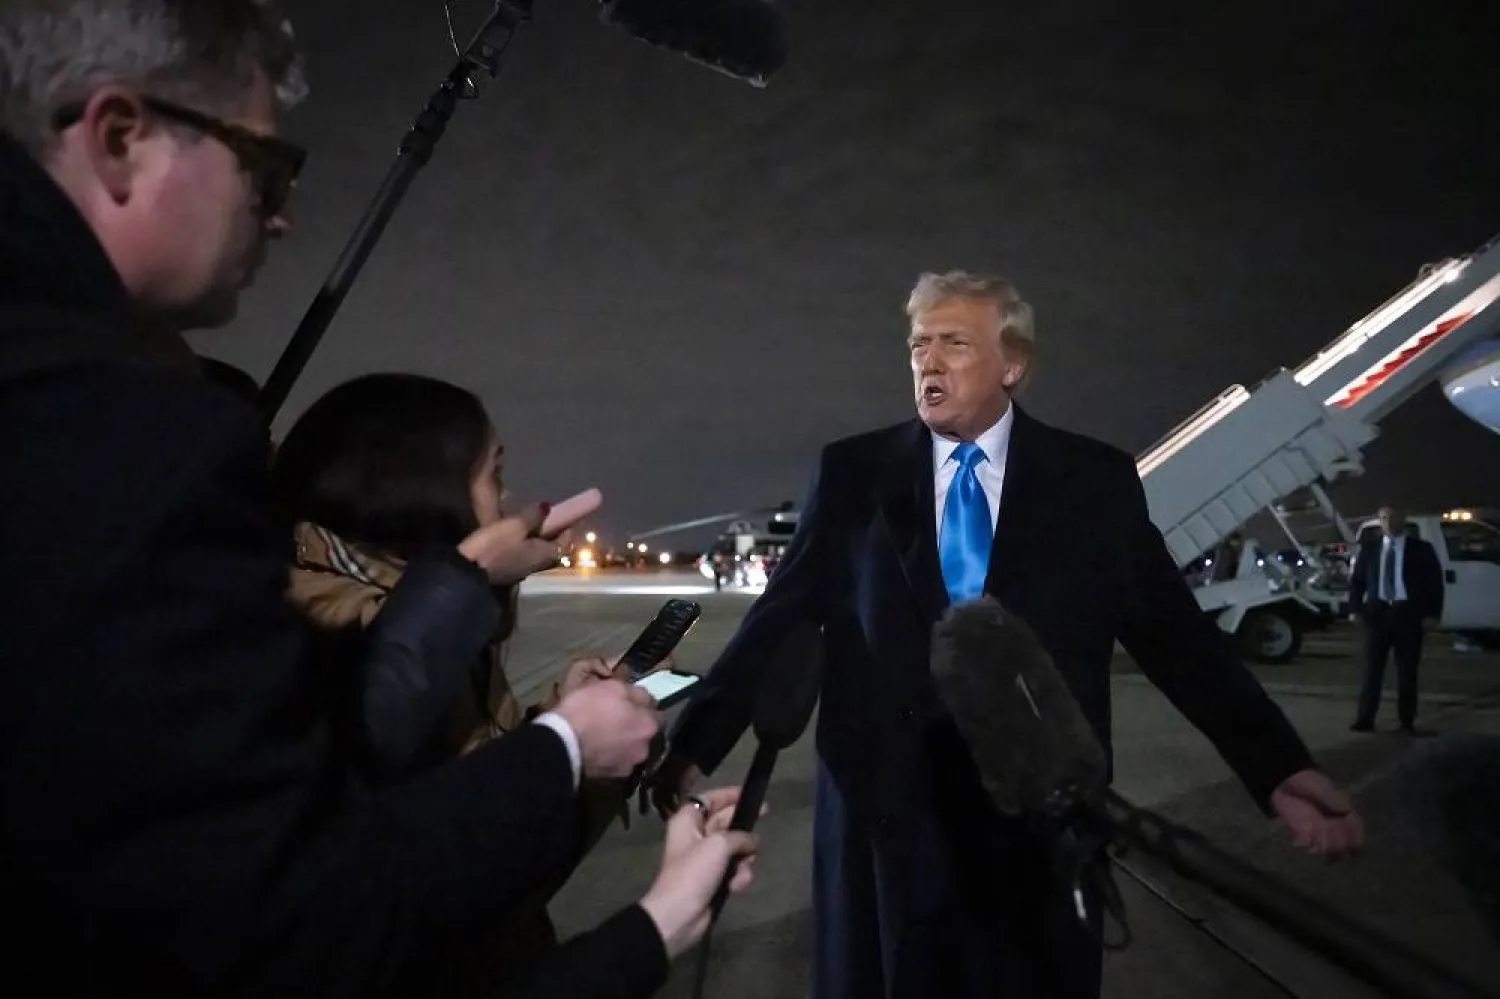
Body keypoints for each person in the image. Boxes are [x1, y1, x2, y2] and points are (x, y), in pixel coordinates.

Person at [0, 2, 756, 996]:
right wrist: (628, 869)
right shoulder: (118, 442)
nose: (282, 215)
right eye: (264, 168)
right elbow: (296, 921)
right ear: (121, 139)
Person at [652, 271, 1366, 999]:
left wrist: (1277, 767)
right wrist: (692, 745)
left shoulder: (1093, 481)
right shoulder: (854, 472)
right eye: (918, 345)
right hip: (887, 815)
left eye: (954, 343)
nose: (929, 361)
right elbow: (782, 616)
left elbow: (1178, 637)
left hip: (1039, 825)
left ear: (1013, 363)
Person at [272, 372, 641, 987]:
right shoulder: (333, 627)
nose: (508, 495)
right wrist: (570, 750)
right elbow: (458, 875)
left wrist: (563, 728)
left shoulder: (418, 613)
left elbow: (484, 831)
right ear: (420, 485)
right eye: (494, 472)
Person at [1347, 506, 1444, 734]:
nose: (1388, 522)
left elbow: (1434, 584)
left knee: (1407, 672)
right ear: (1379, 522)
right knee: (1372, 671)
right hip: (1377, 616)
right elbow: (1357, 582)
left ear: (1404, 520)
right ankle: (1365, 719)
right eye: (1383, 518)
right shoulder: (1370, 549)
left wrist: (1433, 614)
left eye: (1393, 517)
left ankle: (1406, 721)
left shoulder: (1421, 550)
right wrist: (1354, 609)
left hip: (1408, 616)